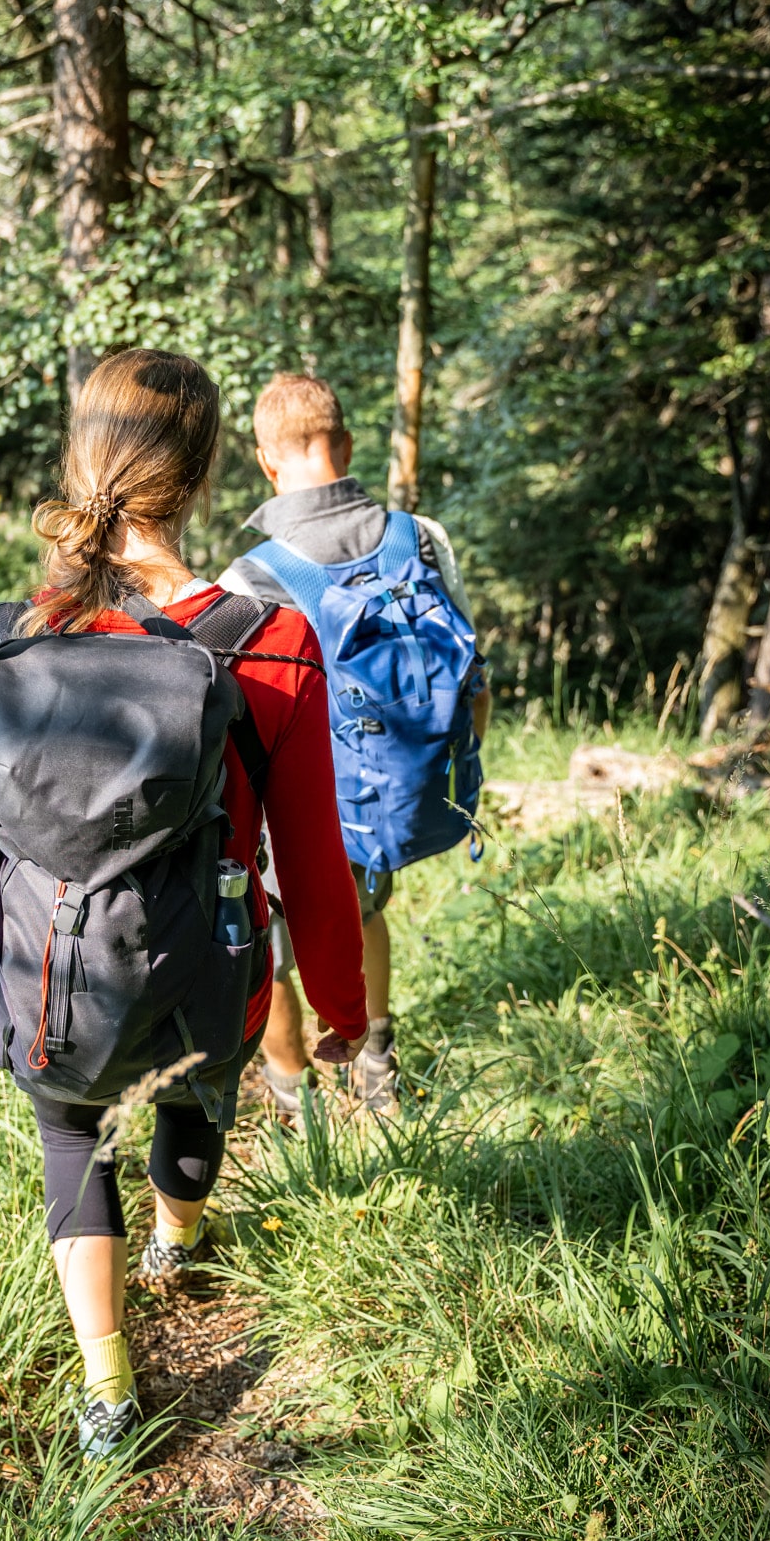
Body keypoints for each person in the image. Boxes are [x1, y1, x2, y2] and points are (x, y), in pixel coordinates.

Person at [0, 350, 368, 1458]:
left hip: (49, 978)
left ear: (83, 461)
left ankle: (110, 1390)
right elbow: (314, 862)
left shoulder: (5, 636)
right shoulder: (268, 641)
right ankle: (178, 1236)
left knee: (70, 1131)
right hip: (210, 981)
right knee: (192, 1093)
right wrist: (347, 1012)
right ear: (207, 471)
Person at [218, 371, 490, 1115]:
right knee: (366, 913)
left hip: (293, 811)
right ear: (344, 443)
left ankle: (289, 1093)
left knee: (270, 953)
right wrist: (450, 781)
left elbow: (233, 727)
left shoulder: (249, 579)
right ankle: (375, 1060)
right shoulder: (420, 538)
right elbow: (474, 678)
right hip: (391, 797)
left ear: (265, 460)